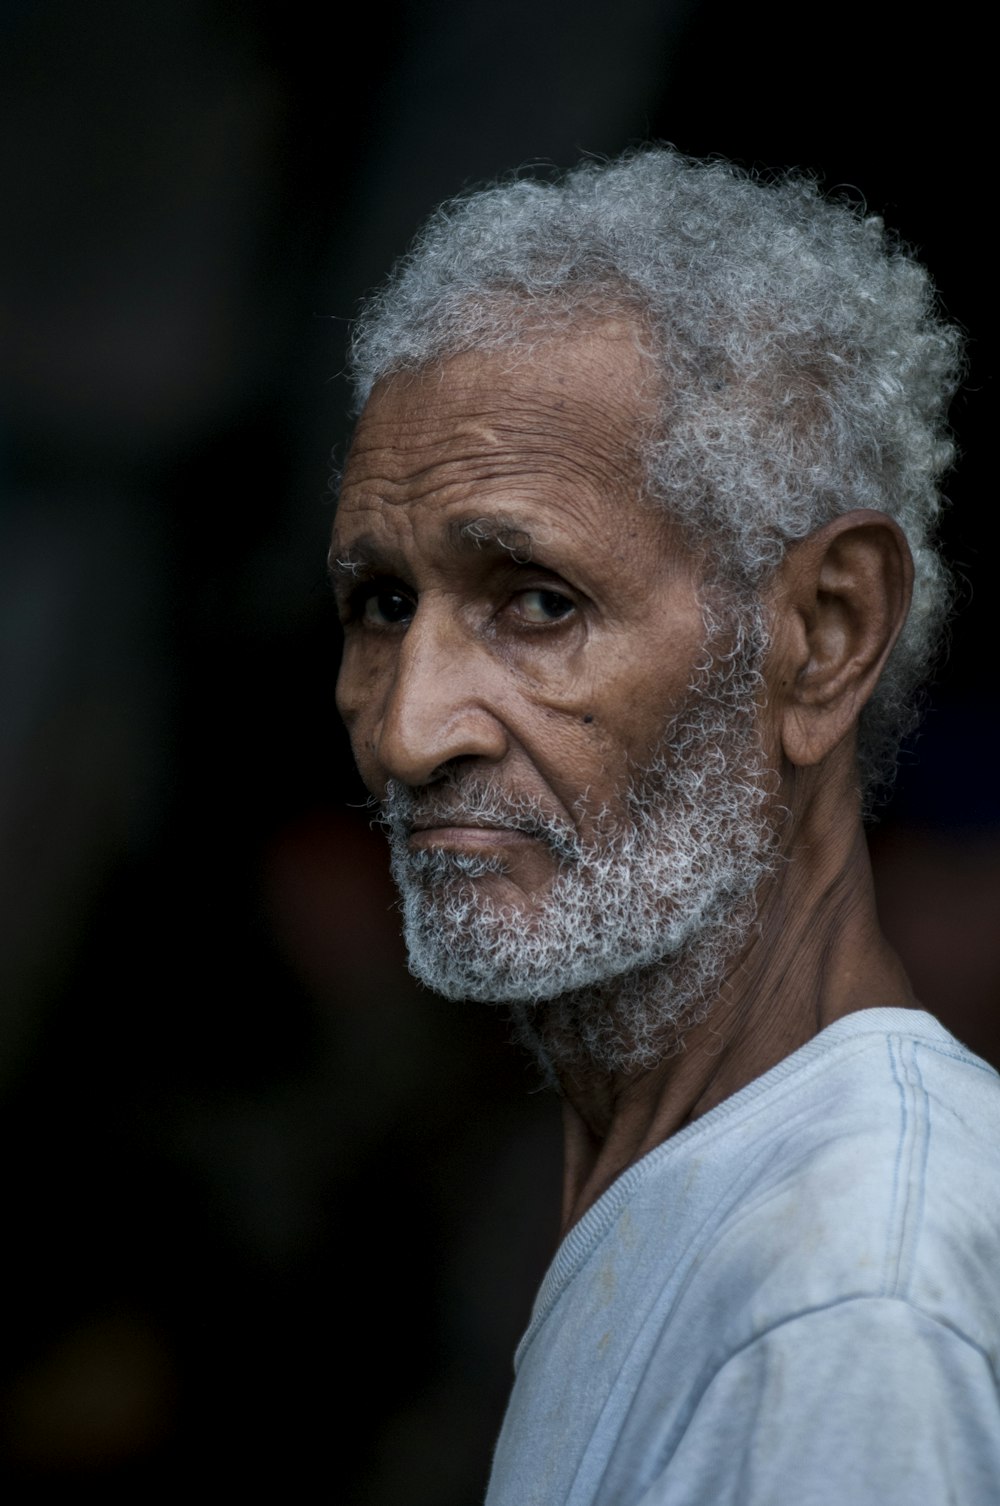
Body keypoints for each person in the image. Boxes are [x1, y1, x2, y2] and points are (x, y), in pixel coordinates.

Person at [330, 149, 1000, 1503]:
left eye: (538, 602)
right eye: (385, 603)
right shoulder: (711, 1196)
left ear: (823, 634)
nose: (410, 730)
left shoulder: (846, 1302)